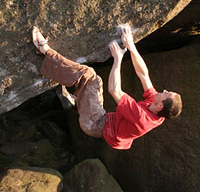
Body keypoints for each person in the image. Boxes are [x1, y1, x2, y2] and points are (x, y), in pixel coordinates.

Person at [32, 24, 182, 150]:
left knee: (89, 75)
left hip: (95, 123)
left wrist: (117, 59)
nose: (164, 90)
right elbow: (143, 74)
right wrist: (131, 47)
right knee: (96, 85)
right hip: (104, 121)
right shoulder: (159, 110)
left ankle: (44, 50)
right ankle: (75, 103)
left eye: (167, 93)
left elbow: (115, 90)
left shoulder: (142, 118)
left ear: (160, 104)